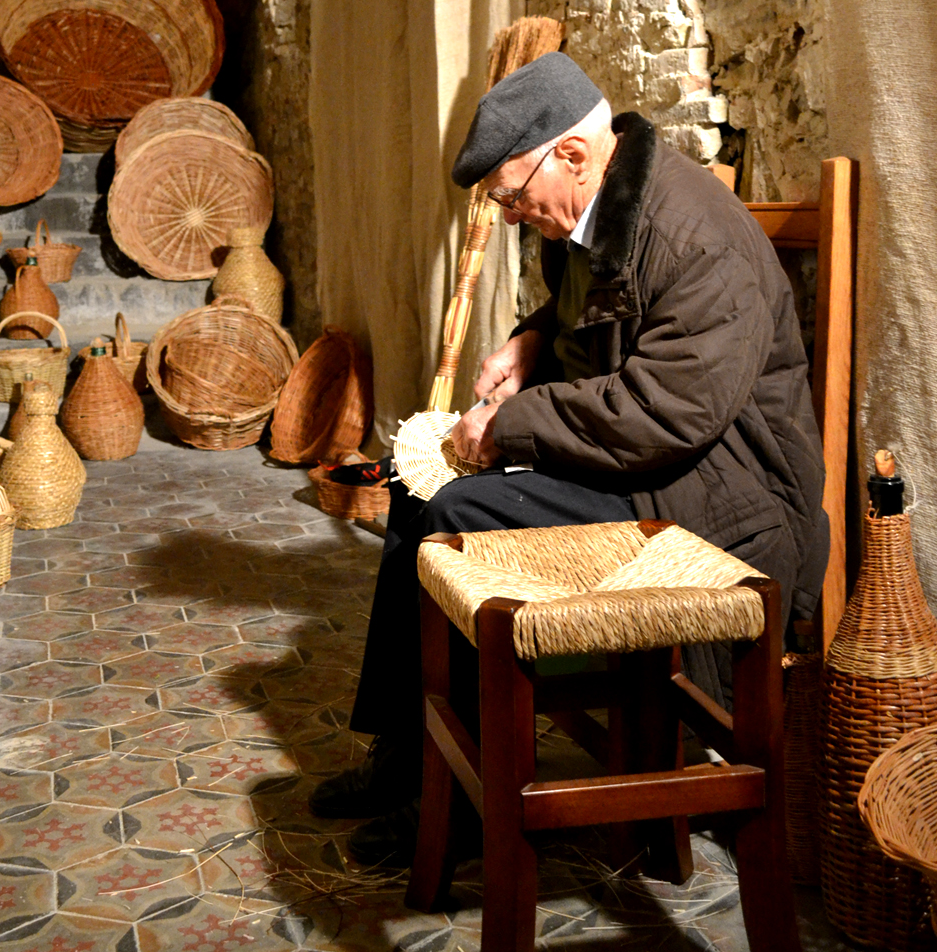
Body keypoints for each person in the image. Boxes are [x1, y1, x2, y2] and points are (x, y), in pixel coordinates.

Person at [310, 53, 828, 862]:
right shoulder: (595, 213)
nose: (513, 216)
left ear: (575, 156)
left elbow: (666, 411)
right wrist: (532, 337)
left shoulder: (699, 238)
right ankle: (410, 758)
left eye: (513, 196)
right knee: (417, 492)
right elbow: (594, 314)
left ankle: (468, 802)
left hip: (717, 494)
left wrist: (510, 424)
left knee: (461, 514)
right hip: (647, 461)